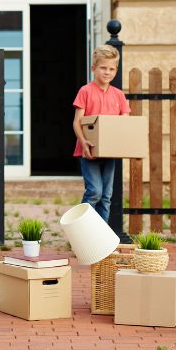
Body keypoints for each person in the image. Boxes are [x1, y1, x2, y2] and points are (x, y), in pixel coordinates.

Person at [71, 45, 130, 223]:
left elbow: (124, 122)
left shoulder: (119, 95)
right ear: (93, 68)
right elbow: (77, 122)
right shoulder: (85, 91)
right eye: (103, 68)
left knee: (106, 196)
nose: (107, 72)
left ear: (116, 70)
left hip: (110, 153)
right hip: (89, 151)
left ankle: (99, 236)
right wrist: (83, 143)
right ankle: (80, 229)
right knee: (94, 192)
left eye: (112, 69)